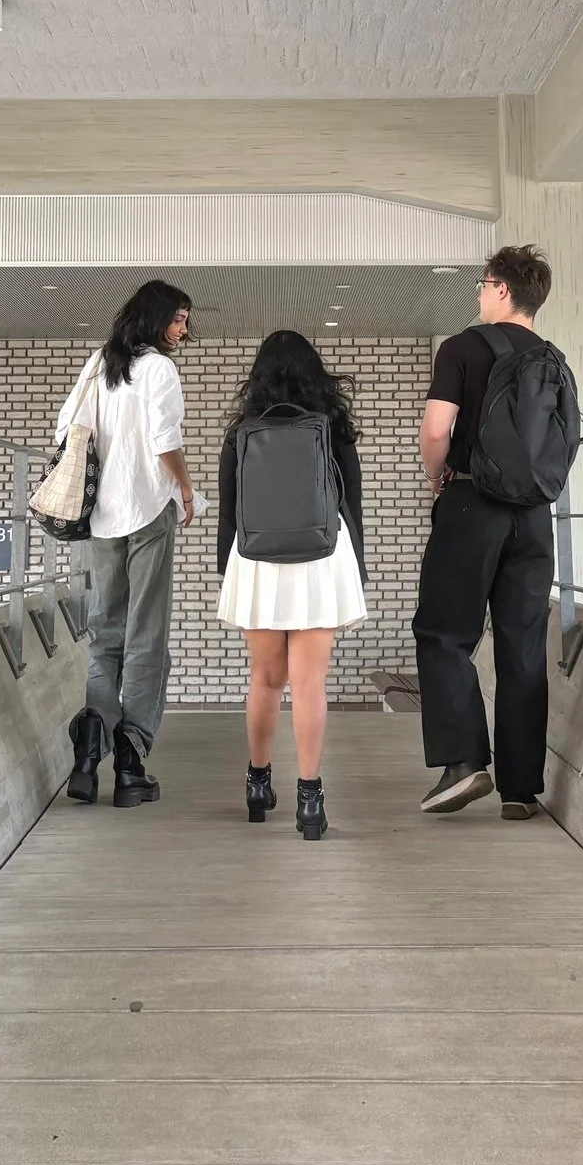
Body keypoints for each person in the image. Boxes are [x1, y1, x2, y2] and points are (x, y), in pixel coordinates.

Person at [413, 244, 560, 818]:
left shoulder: (462, 347)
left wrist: (437, 476)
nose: (479, 293)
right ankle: (521, 791)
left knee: (444, 632)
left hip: (472, 500)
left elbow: (436, 428)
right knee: (522, 645)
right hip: (533, 514)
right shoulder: (553, 357)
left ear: (501, 289)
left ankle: (464, 762)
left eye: (483, 283)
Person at [216, 331, 368, 841]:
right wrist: (359, 567)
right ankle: (310, 800)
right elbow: (352, 503)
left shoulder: (242, 432)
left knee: (264, 678)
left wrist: (228, 572)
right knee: (310, 682)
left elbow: (229, 514)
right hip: (322, 558)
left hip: (256, 559)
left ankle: (258, 785)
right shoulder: (331, 428)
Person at [59, 279, 195, 807]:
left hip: (102, 517)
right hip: (147, 514)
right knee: (146, 638)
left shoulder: (101, 364)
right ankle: (132, 761)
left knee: (105, 635)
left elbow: (65, 427)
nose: (184, 329)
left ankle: (89, 750)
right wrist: (184, 486)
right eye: (179, 319)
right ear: (156, 317)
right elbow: (166, 442)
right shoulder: (159, 369)